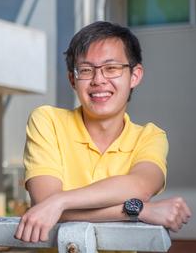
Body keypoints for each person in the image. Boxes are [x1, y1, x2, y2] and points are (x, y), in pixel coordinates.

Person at [15, 21, 191, 244]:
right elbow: (44, 204)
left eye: (111, 68)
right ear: (72, 79)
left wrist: (60, 202)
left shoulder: (150, 136)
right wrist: (138, 211)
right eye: (86, 70)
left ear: (134, 76)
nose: (98, 80)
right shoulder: (47, 121)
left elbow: (140, 186)